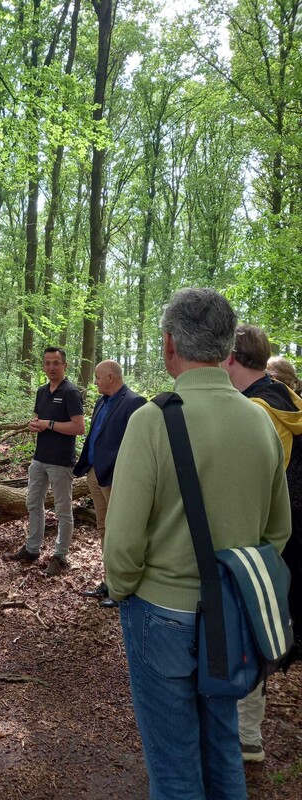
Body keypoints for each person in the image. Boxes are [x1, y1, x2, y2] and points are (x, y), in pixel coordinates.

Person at [104, 289, 291, 800]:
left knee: (174, 766)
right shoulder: (261, 422)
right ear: (227, 347)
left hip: (161, 612)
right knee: (224, 748)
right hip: (232, 617)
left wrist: (123, 590)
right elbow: (278, 532)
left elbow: (122, 542)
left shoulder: (151, 421)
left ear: (168, 346)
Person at [222, 324, 302, 762]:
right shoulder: (287, 399)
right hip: (284, 537)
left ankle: (245, 733)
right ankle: (246, 730)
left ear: (230, 357)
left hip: (264, 538)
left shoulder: (257, 410)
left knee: (248, 628)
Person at [3, 347, 85, 577]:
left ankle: (60, 556)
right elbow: (39, 419)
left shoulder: (71, 393)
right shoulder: (42, 391)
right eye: (47, 363)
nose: (51, 367)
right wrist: (34, 424)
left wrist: (49, 424)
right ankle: (32, 549)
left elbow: (79, 427)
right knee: (33, 503)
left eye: (56, 363)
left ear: (65, 365)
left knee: (63, 510)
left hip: (60, 461)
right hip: (39, 459)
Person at [74, 360, 146, 608]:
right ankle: (108, 580)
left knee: (119, 531)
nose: (95, 382)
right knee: (103, 527)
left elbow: (136, 445)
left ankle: (121, 586)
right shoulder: (101, 402)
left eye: (97, 377)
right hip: (95, 473)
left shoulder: (134, 402)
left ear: (111, 378)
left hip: (116, 476)